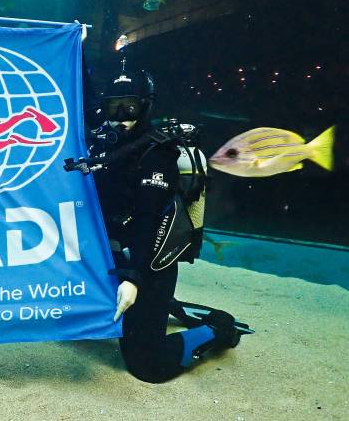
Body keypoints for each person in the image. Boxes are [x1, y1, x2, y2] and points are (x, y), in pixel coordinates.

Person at [84, 68, 251, 383]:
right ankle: (160, 305)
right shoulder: (102, 140)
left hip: (149, 261)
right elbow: (87, 97)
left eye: (130, 107)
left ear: (145, 106)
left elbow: (148, 219)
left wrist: (134, 278)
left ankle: (217, 329)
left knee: (148, 365)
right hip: (110, 255)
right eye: (113, 107)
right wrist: (76, 48)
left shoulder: (158, 154)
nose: (120, 117)